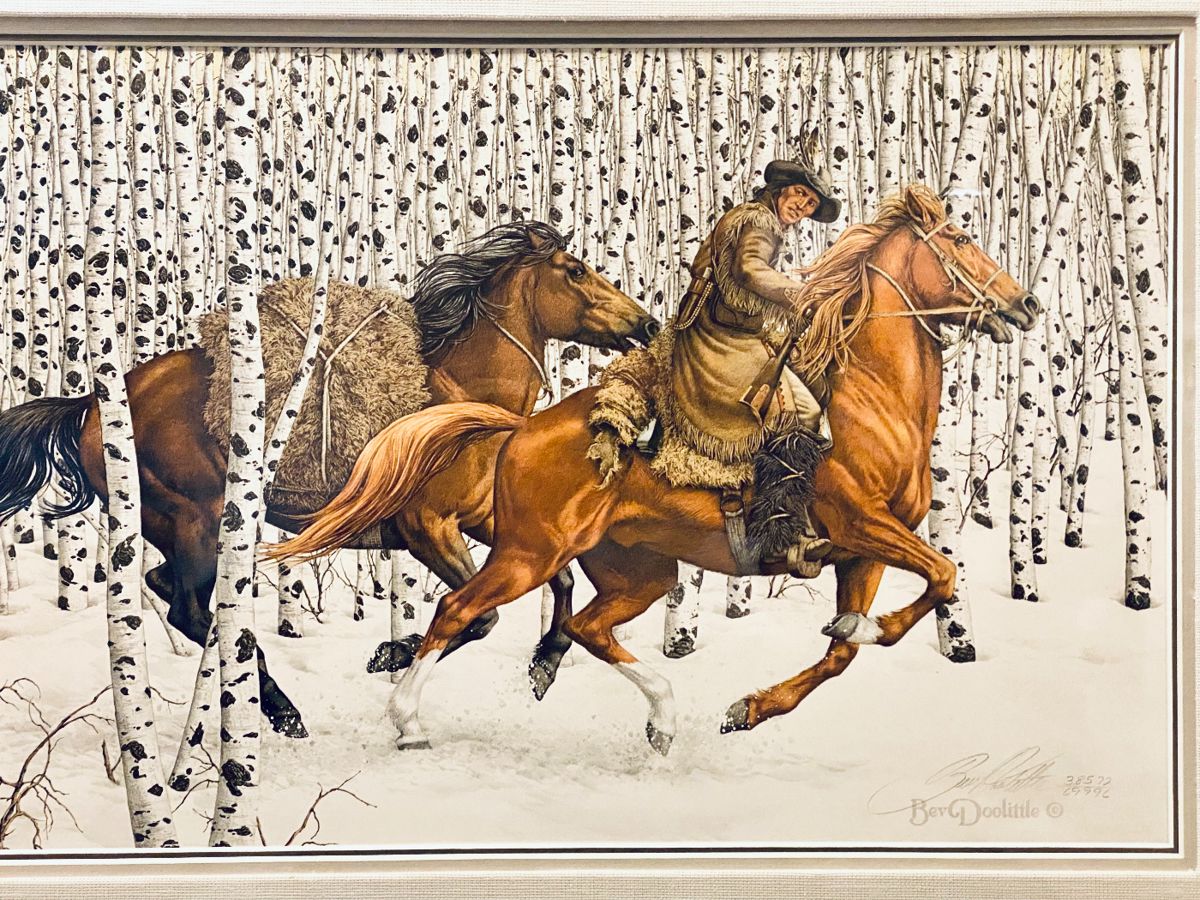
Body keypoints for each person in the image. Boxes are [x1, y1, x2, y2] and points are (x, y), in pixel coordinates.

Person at [590, 153, 842, 576]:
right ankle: (781, 532)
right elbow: (749, 271)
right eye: (799, 194)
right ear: (779, 190)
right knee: (802, 412)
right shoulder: (759, 222)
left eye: (811, 204)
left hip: (729, 332)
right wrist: (804, 297)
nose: (802, 206)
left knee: (815, 378)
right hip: (719, 340)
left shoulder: (754, 218)